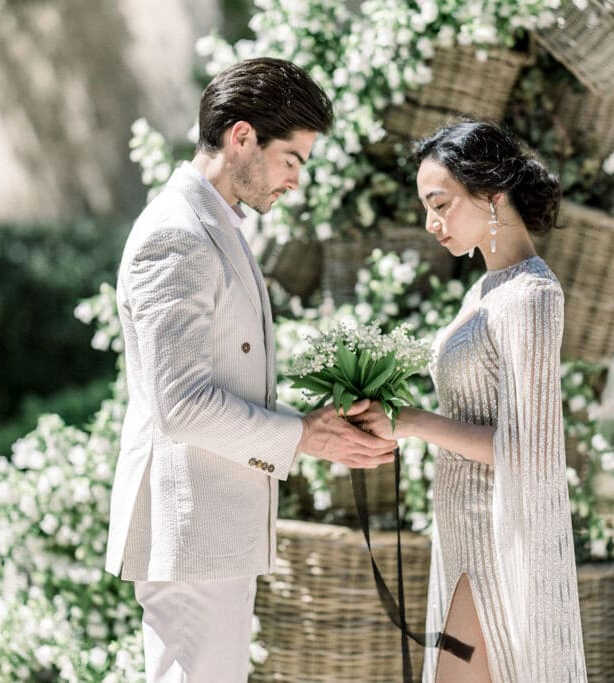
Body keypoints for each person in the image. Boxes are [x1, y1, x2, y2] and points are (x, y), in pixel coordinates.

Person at [104, 57, 398, 683]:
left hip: (213, 528)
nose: (295, 181)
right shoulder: (177, 234)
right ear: (242, 136)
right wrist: (301, 436)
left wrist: (311, 430)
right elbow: (181, 405)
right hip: (192, 529)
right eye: (290, 160)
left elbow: (222, 385)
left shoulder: (218, 225)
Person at [351, 121, 587, 682]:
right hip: (458, 530)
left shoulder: (531, 296)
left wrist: (411, 421)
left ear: (492, 193)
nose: (431, 223)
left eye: (440, 204)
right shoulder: (483, 290)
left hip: (497, 538)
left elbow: (528, 451)